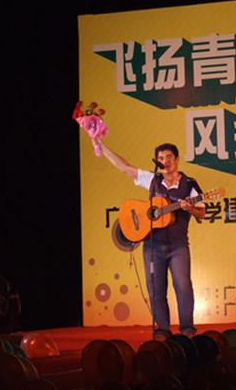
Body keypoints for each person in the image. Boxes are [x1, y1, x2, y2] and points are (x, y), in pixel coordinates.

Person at [95, 137, 205, 339]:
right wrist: (102, 146)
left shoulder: (189, 184)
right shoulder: (153, 180)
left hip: (178, 245)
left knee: (183, 286)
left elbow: (202, 212)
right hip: (153, 245)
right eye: (160, 158)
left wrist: (189, 207)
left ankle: (187, 330)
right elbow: (125, 167)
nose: (165, 161)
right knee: (155, 289)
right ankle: (162, 330)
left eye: (169, 157)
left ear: (177, 159)